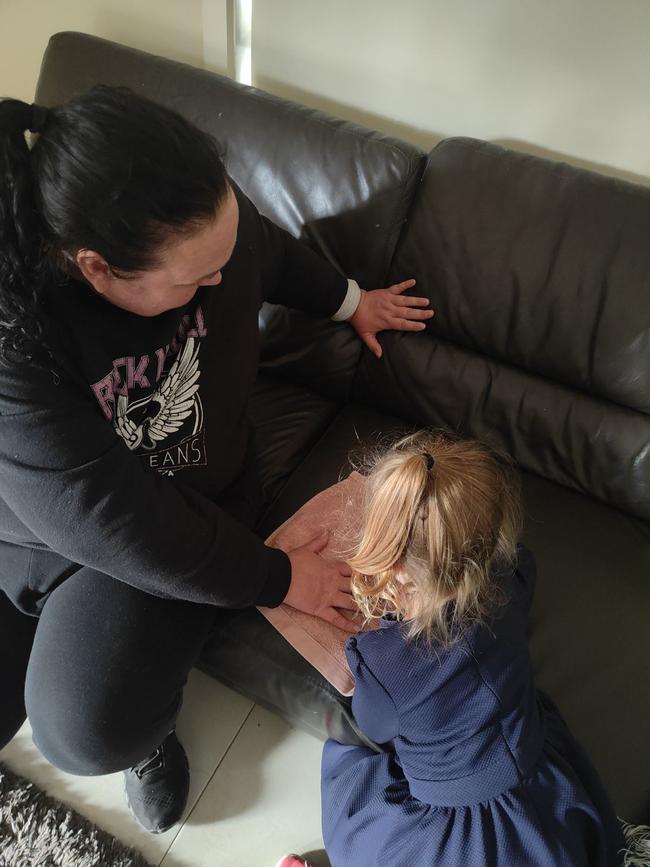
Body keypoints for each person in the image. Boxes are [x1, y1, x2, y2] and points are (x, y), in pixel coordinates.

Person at [0, 85, 434, 834]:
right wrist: (284, 577)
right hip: (52, 525)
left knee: (86, 728)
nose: (223, 282)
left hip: (189, 502)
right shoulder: (20, 339)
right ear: (100, 269)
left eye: (222, 260)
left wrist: (351, 300)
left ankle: (147, 731)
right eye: (195, 280)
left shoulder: (212, 235)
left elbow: (265, 252)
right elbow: (110, 521)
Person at [317, 431, 626, 867]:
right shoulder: (513, 576)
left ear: (394, 565)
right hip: (540, 773)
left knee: (347, 762)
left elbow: (373, 724)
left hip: (452, 829)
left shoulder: (384, 660)